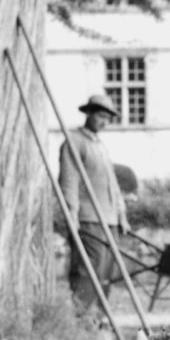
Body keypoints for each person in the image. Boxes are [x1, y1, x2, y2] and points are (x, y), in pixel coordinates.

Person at [58, 93, 130, 312]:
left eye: (108, 118)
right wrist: (71, 214)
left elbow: (113, 184)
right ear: (88, 113)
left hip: (109, 219)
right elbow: (69, 182)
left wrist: (122, 215)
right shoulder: (75, 142)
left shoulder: (100, 145)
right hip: (88, 218)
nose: (104, 122)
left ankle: (99, 317)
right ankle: (82, 315)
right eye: (100, 116)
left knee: (107, 271)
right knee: (88, 268)